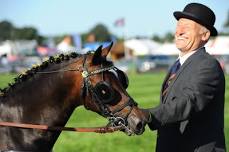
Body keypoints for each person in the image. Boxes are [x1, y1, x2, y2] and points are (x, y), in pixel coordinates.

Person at [142, 3, 226, 152]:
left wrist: (149, 115)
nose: (178, 31)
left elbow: (188, 102)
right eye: (178, 26)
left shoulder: (208, 65)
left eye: (186, 27)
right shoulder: (178, 64)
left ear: (204, 35)